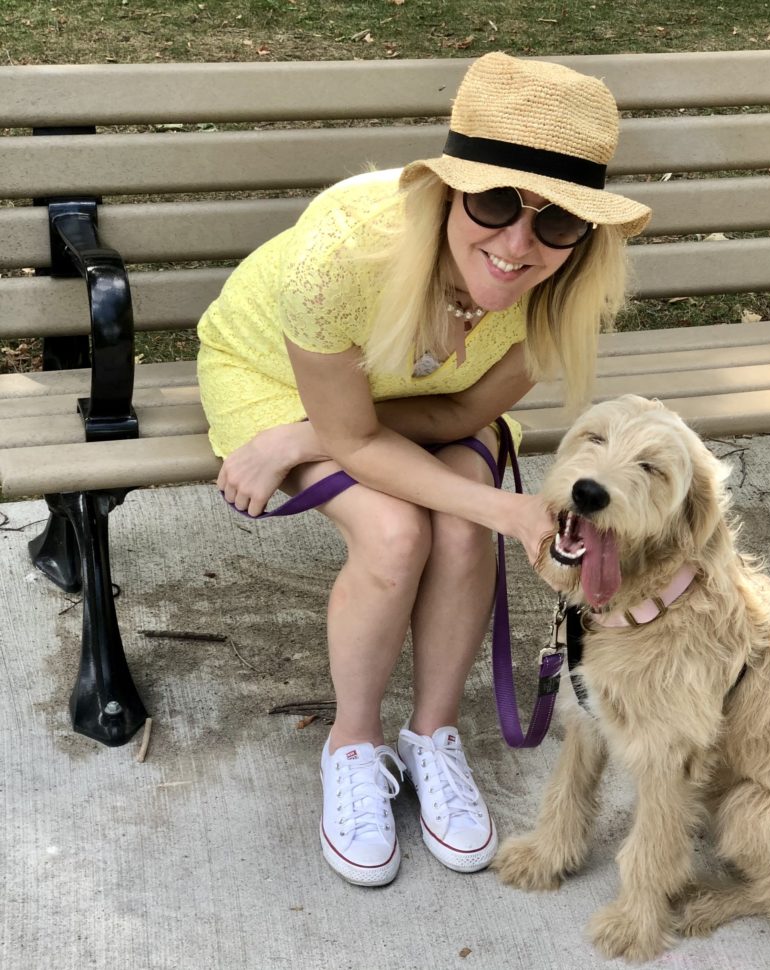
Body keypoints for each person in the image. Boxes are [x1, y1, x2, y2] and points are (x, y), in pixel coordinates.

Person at [196, 51, 651, 887]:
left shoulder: (564, 288)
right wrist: (511, 510)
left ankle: (433, 737)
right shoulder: (346, 251)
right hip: (270, 372)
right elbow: (358, 440)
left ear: (584, 233)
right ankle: (354, 743)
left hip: (402, 401)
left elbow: (456, 415)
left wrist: (308, 439)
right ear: (446, 190)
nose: (518, 245)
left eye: (556, 222)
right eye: (494, 201)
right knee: (395, 532)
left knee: (462, 523)